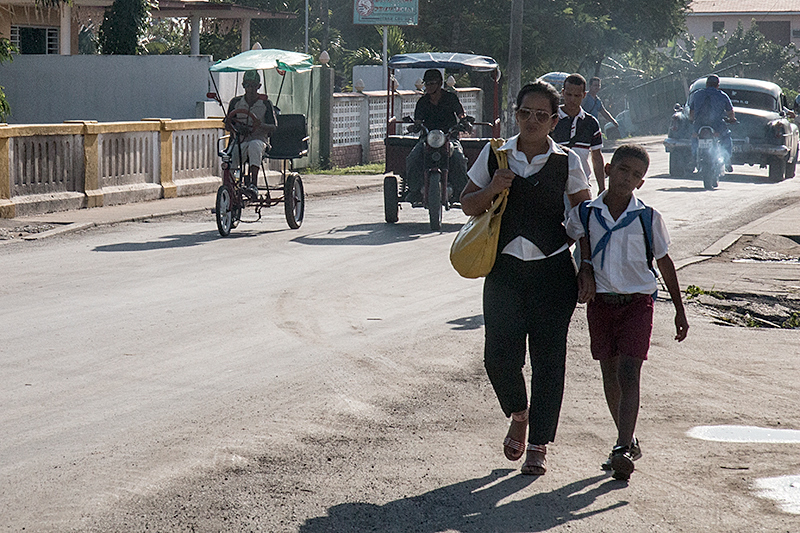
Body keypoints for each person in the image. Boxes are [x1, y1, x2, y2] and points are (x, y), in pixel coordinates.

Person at [461, 81, 591, 476]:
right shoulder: (495, 154)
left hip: (554, 273)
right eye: (524, 113)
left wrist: (585, 268)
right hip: (503, 271)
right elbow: (467, 203)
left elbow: (586, 222)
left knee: (549, 361)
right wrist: (492, 189)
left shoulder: (568, 162)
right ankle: (519, 412)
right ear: (513, 114)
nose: (531, 121)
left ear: (554, 121)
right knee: (498, 355)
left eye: (540, 115)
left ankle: (539, 443)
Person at [566, 144, 689, 481]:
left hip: (638, 303)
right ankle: (628, 438)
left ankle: (621, 447)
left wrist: (680, 309)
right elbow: (576, 249)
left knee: (629, 371)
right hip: (601, 304)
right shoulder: (585, 214)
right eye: (623, 170)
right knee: (609, 373)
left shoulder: (648, 218)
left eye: (636, 175)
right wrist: (583, 271)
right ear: (607, 170)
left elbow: (664, 262)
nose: (628, 178)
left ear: (641, 183)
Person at [405, 69, 469, 206]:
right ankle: (414, 189)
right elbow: (418, 120)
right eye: (426, 84)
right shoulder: (422, 102)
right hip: (427, 139)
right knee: (413, 157)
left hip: (449, 137)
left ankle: (461, 190)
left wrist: (464, 122)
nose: (428, 87)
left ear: (440, 84)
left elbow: (460, 114)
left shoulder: (451, 98)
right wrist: (414, 126)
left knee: (458, 157)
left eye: (431, 83)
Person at [225, 70, 277, 199]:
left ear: (258, 87)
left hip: (259, 140)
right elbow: (227, 123)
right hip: (240, 141)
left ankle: (253, 184)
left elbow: (274, 127)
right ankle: (230, 188)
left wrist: (261, 125)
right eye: (247, 85)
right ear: (243, 86)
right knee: (231, 155)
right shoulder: (235, 102)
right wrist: (236, 128)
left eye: (253, 85)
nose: (250, 89)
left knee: (254, 145)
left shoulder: (265, 104)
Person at [553, 73, 606, 194]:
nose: (572, 99)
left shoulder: (591, 123)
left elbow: (597, 157)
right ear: (562, 93)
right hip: (555, 188)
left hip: (582, 187)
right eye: (569, 94)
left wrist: (602, 188)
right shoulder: (550, 119)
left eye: (577, 95)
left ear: (584, 95)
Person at [688, 74, 735, 172]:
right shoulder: (722, 95)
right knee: (726, 137)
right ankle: (727, 161)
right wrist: (732, 119)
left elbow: (691, 111)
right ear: (717, 85)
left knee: (695, 137)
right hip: (717, 125)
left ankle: (693, 158)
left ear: (706, 85)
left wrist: (691, 120)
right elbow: (730, 112)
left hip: (699, 124)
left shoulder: (697, 94)